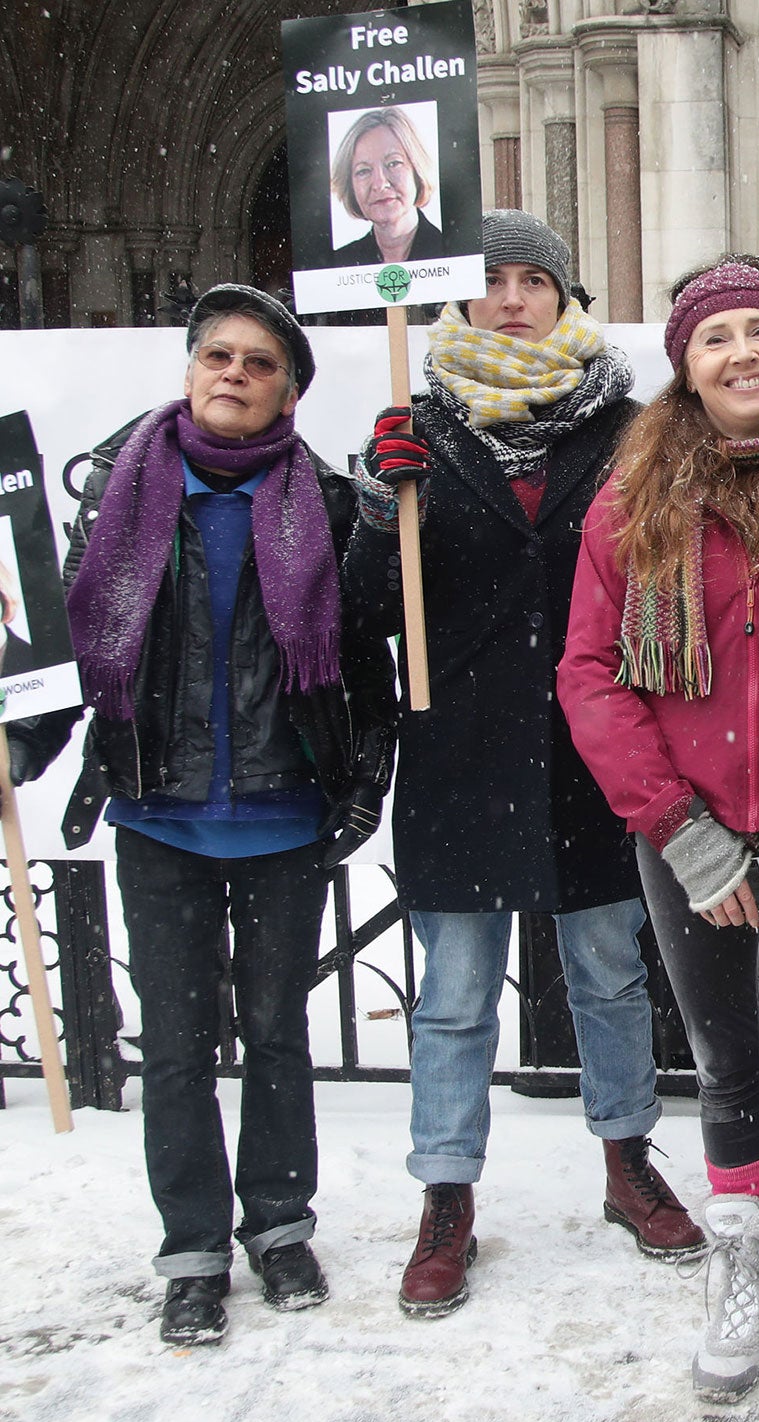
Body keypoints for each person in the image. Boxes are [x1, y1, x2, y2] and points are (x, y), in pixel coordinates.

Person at [5, 284, 398, 1346]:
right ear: (188, 371)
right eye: (216, 355)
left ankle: (277, 1225)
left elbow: (365, 658)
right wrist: (16, 743)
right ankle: (190, 1250)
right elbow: (68, 656)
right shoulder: (122, 497)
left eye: (258, 362)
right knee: (175, 1048)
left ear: (289, 391)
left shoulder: (322, 500)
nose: (233, 373)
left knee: (275, 1037)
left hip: (282, 816)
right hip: (159, 816)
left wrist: (363, 782)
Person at [347, 209, 700, 1319]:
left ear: (564, 296)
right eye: (491, 280)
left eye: (533, 279)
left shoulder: (632, 428)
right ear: (460, 298)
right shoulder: (420, 426)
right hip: (459, 748)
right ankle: (446, 1196)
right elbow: (367, 611)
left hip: (594, 753)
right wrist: (373, 506)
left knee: (607, 973)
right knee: (452, 997)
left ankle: (625, 1162)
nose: (512, 297)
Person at [558, 255, 759, 1401]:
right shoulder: (631, 504)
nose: (742, 352)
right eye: (714, 338)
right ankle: (749, 1261)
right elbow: (592, 675)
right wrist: (676, 826)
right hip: (685, 829)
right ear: (684, 369)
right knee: (724, 1059)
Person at [329, 106, 445, 267]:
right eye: (363, 171)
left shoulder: (450, 252)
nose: (379, 184)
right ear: (350, 186)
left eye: (393, 163)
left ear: (417, 169)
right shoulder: (337, 264)